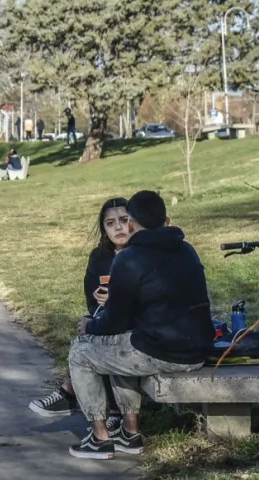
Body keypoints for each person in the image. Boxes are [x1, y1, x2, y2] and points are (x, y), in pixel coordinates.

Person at [67, 190, 213, 459]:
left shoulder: (129, 258)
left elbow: (114, 322)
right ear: (164, 219)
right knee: (120, 345)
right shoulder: (186, 249)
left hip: (164, 352)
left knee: (81, 352)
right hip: (200, 349)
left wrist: (89, 326)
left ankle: (99, 438)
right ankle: (129, 433)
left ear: (132, 223)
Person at [28, 198, 131, 424]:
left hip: (137, 323)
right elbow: (91, 298)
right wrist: (97, 309)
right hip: (109, 317)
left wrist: (114, 301)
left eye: (124, 220)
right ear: (103, 229)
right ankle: (106, 409)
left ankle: (71, 394)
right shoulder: (99, 257)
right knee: (91, 328)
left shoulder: (141, 254)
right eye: (110, 223)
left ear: (134, 221)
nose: (118, 227)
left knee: (99, 334)